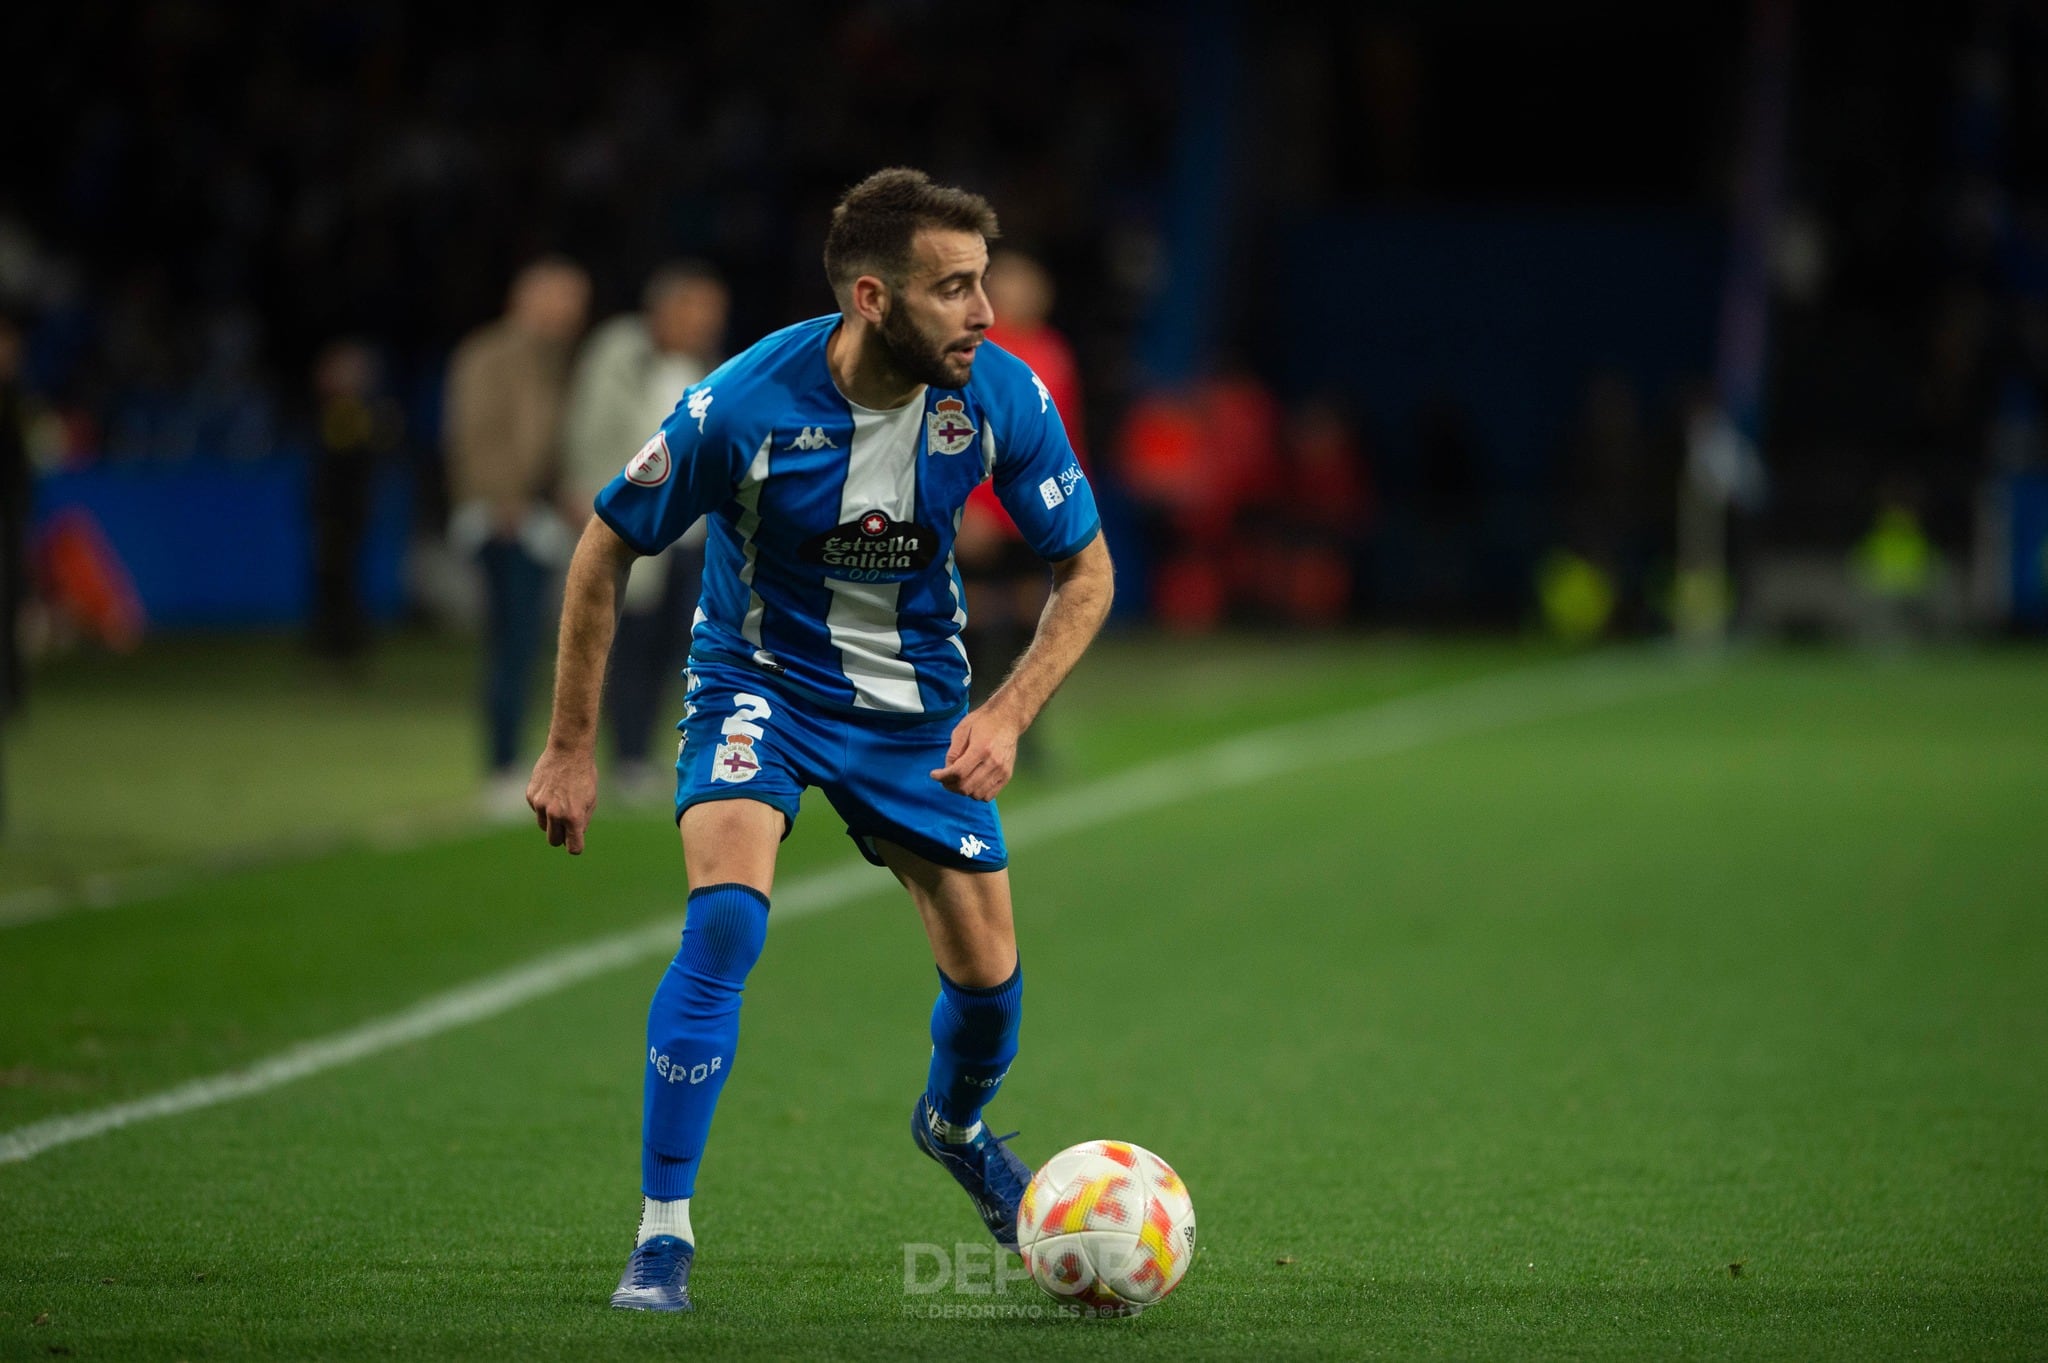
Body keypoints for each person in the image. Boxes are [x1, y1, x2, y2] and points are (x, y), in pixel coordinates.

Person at [524, 167, 1113, 1313]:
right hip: (760, 686)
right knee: (729, 916)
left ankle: (952, 1125)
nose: (985, 313)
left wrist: (1002, 713)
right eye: (953, 289)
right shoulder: (742, 405)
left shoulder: (998, 396)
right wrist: (568, 747)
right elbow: (604, 546)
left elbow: (1083, 569)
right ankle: (662, 1234)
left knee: (989, 990)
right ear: (870, 298)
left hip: (918, 712)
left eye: (983, 283)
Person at [562, 262, 730, 804]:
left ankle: (646, 753)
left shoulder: (710, 364)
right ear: (666, 306)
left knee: (674, 646)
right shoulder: (618, 351)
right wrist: (590, 498)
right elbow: (591, 431)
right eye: (697, 309)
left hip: (690, 532)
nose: (706, 322)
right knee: (625, 640)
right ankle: (620, 753)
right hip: (630, 524)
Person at [443, 256, 591, 812]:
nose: (572, 312)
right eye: (563, 299)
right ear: (527, 298)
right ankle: (502, 766)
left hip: (536, 518)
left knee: (527, 645)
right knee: (510, 644)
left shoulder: (552, 359)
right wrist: (500, 499)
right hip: (502, 519)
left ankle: (512, 760)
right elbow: (474, 432)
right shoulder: (491, 353)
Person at [954, 249, 1086, 768]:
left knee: (1038, 616)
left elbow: (1069, 434)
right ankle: (962, 723)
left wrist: (1076, 499)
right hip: (985, 513)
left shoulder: (1054, 351)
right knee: (975, 618)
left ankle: (1023, 728)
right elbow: (952, 433)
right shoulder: (976, 352)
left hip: (1038, 509)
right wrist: (963, 506)